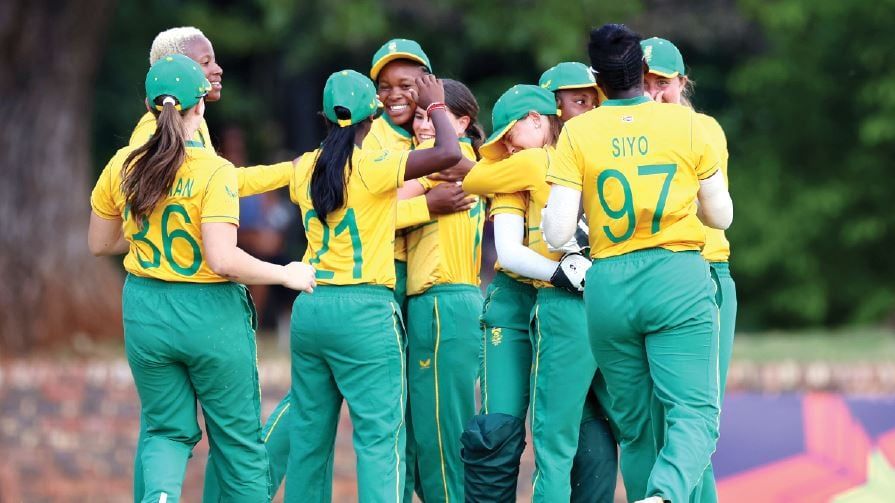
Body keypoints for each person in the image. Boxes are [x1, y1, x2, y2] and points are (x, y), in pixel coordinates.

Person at [88, 54, 317, 503]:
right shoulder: (213, 170)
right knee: (238, 445)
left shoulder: (121, 164)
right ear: (200, 107)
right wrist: (285, 273)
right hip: (209, 315)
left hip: (145, 312)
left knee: (165, 431)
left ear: (150, 108)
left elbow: (101, 242)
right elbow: (223, 259)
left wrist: (153, 236)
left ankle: (159, 497)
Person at [542, 24, 733, 503]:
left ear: (597, 80)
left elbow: (558, 233)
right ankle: (665, 495)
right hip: (676, 277)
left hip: (609, 285)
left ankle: (650, 493)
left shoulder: (579, 131)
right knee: (693, 413)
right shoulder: (689, 125)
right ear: (642, 70)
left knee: (636, 427)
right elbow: (721, 217)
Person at [284, 70, 462, 503]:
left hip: (310, 307)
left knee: (308, 437)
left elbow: (244, 181)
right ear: (373, 115)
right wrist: (437, 105)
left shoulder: (304, 167)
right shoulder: (375, 166)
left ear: (324, 116)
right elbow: (448, 152)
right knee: (380, 440)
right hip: (364, 311)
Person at [460, 84, 617, 502]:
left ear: (534, 119)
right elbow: (509, 250)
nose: (509, 147)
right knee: (532, 429)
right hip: (535, 298)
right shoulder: (528, 162)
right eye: (570, 102)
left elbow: (474, 175)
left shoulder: (558, 158)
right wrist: (561, 274)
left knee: (577, 427)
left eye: (510, 135)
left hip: (567, 303)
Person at [367, 38, 474, 502]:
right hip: (405, 291)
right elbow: (364, 214)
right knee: (413, 423)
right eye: (386, 85)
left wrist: (438, 147)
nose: (398, 96)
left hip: (438, 298)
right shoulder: (375, 138)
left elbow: (464, 165)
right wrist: (427, 202)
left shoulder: (450, 156)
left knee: (436, 427)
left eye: (410, 87)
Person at [642, 36, 737, 503]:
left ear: (683, 82)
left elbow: (711, 211)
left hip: (704, 272)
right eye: (644, 83)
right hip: (652, 280)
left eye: (662, 82)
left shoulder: (702, 128)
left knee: (694, 423)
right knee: (662, 426)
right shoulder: (625, 134)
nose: (653, 92)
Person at [395, 78, 486, 502]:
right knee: (431, 432)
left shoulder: (447, 157)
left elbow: (379, 210)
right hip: (448, 303)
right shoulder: (465, 159)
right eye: (419, 117)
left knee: (439, 435)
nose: (424, 126)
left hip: (441, 302)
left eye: (435, 115)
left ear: (462, 123)